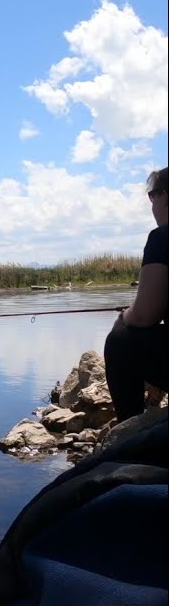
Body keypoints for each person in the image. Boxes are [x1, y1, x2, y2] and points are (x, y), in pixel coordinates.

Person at [104, 166, 168, 422]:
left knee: (120, 341)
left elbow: (144, 316)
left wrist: (125, 316)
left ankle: (129, 429)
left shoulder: (162, 237)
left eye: (152, 196)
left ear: (165, 196)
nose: (152, 204)